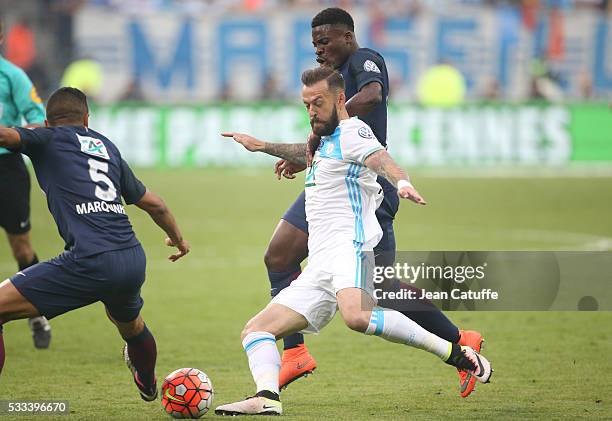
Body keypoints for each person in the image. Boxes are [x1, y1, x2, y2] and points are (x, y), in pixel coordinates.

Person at [216, 67, 492, 416]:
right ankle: (267, 397)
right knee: (255, 330)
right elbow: (309, 152)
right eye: (306, 105)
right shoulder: (326, 140)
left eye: (318, 102)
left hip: (351, 249)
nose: (311, 110)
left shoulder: (353, 131)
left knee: (357, 317)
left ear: (340, 99)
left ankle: (455, 353)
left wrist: (402, 182)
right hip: (320, 263)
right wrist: (263, 147)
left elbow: (380, 159)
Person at [263, 7, 483, 397]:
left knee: (382, 290)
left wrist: (330, 128)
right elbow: (334, 131)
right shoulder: (331, 81)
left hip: (365, 190)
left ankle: (461, 339)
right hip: (333, 185)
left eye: (325, 41)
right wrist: (316, 147)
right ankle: (295, 353)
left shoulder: (365, 60)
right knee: (279, 256)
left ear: (347, 37)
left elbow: (374, 94)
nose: (319, 49)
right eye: (314, 43)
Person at [0, 87, 190, 402]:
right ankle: (147, 380)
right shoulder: (106, 147)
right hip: (131, 259)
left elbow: (6, 137)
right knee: (131, 326)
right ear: (87, 118)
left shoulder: (48, 139)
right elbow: (154, 204)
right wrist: (179, 239)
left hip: (89, 260)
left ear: (47, 122)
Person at [0, 17, 51, 349]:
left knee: (21, 246)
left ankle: (38, 314)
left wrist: (10, 135)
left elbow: (38, 123)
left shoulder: (13, 76)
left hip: (7, 168)